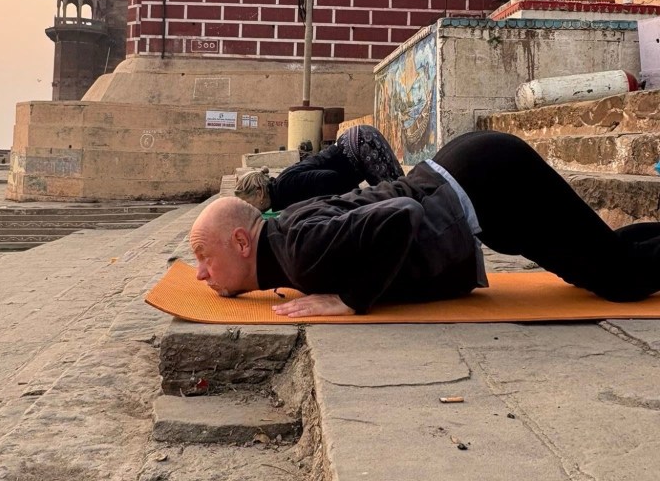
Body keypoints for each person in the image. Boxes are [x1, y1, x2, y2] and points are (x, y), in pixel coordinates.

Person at [190, 130, 660, 317]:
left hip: (488, 181)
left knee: (618, 279)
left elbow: (401, 215)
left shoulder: (299, 251)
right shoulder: (286, 232)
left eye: (204, 257)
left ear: (241, 242)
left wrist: (350, 299)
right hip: (472, 179)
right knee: (597, 262)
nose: (199, 274)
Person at [234, 125, 404, 212]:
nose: (248, 210)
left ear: (259, 193)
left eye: (248, 204)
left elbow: (329, 178)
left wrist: (354, 199)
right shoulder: (281, 190)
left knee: (399, 197)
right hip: (356, 144)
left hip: (361, 144)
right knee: (395, 199)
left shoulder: (285, 188)